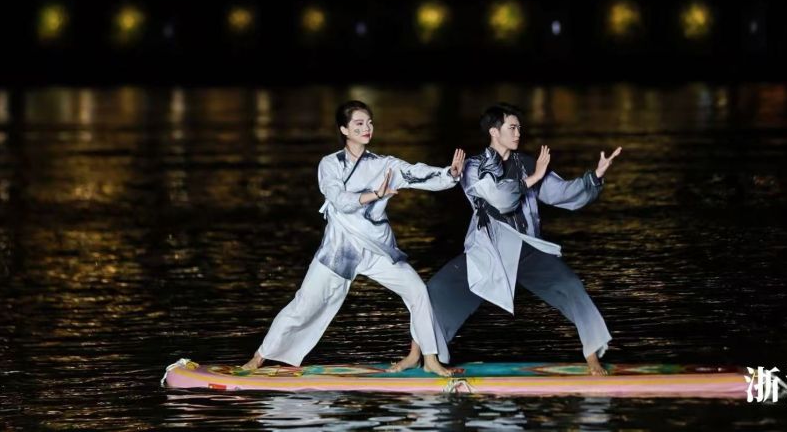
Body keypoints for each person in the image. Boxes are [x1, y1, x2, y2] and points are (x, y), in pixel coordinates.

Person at [393, 102, 622, 376]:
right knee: (434, 292)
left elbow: (560, 193)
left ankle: (593, 359)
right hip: (487, 251)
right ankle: (414, 355)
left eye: (519, 128)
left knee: (571, 287)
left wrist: (594, 177)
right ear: (494, 132)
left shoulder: (527, 163)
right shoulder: (472, 167)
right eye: (512, 128)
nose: (518, 133)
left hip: (527, 250)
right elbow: (500, 199)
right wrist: (533, 178)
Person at [243, 100, 465, 376]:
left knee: (418, 291)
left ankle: (429, 359)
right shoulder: (329, 164)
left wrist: (449, 174)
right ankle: (259, 357)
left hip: (376, 248)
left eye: (369, 122)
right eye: (359, 124)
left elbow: (417, 173)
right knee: (304, 306)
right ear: (344, 130)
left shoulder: (385, 165)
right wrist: (375, 194)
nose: (367, 128)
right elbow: (340, 200)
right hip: (340, 249)